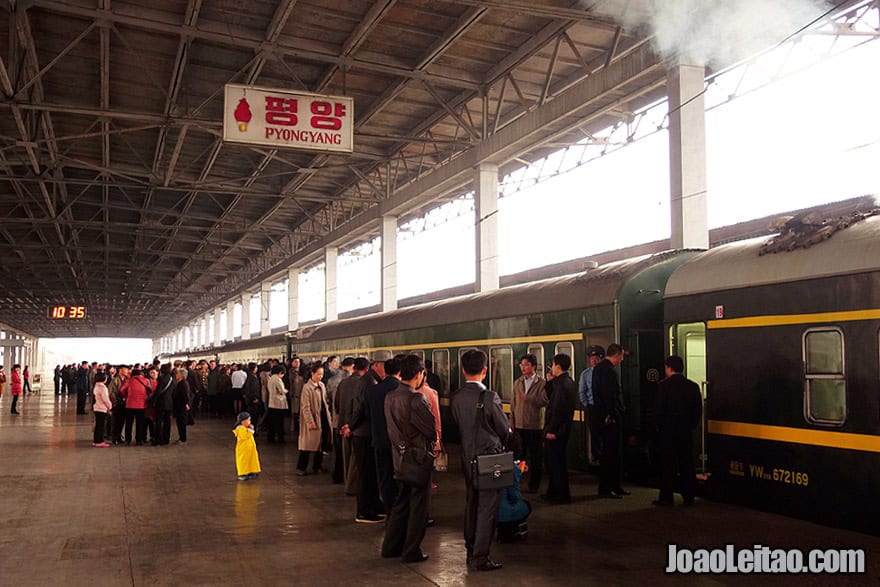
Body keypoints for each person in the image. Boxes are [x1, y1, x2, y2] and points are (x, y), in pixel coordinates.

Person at [451, 349, 509, 572]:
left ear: (463, 370)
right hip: (489, 460)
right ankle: (480, 557)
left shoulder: (456, 397)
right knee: (487, 508)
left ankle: (470, 548)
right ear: (485, 371)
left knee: (471, 504)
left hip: (467, 458)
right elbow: (503, 429)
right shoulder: (489, 397)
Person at [381, 355, 436, 564]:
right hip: (417, 461)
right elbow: (430, 431)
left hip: (399, 458)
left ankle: (390, 547)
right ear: (419, 374)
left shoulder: (390, 397)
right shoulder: (417, 399)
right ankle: (411, 550)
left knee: (400, 504)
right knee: (419, 507)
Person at [654, 355, 703, 507]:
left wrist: (659, 427)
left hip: (668, 432)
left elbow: (659, 409)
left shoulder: (663, 386)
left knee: (668, 465)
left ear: (668, 368)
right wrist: (691, 425)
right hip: (685, 431)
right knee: (687, 463)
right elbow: (698, 410)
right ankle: (689, 496)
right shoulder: (692, 386)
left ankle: (666, 497)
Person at [340, 357, 384, 523]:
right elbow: (360, 409)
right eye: (383, 367)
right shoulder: (369, 383)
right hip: (363, 434)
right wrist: (350, 426)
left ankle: (372, 506)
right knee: (366, 474)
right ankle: (364, 511)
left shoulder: (367, 380)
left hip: (362, 433)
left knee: (368, 473)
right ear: (375, 366)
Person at [593, 343, 628, 498]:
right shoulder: (608, 370)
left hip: (602, 416)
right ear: (617, 355)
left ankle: (614, 486)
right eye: (621, 356)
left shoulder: (599, 369)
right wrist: (612, 414)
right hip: (610, 419)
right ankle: (608, 488)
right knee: (611, 454)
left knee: (611, 454)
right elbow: (610, 395)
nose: (621, 359)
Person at [542, 353, 577, 504]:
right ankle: (553, 492)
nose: (551, 368)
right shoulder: (563, 382)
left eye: (553, 365)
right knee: (555, 462)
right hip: (561, 429)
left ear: (558, 366)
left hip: (557, 430)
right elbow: (551, 396)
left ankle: (561, 495)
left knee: (556, 463)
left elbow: (557, 410)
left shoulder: (563, 385)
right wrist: (550, 382)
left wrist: (551, 431)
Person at [510, 353, 547, 493]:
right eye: (522, 365)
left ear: (534, 367)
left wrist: (529, 399)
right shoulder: (517, 382)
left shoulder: (542, 383)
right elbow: (513, 403)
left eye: (526, 365)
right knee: (518, 457)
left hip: (535, 425)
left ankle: (534, 485)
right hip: (519, 425)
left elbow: (544, 400)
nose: (523, 367)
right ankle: (516, 482)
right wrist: (511, 421)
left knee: (536, 457)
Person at [368, 357, 401, 515]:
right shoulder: (403, 391)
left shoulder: (374, 391)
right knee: (401, 477)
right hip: (399, 443)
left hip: (379, 440)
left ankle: (389, 508)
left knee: (384, 476)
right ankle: (401, 508)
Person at [297, 363, 331, 475]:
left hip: (323, 418)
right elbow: (305, 407)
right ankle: (301, 468)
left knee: (320, 444)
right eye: (318, 374)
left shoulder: (321, 385)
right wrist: (310, 421)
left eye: (322, 374)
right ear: (312, 373)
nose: (320, 376)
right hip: (313, 419)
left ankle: (317, 466)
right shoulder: (307, 388)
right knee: (307, 445)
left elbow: (325, 401)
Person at [578, 345, 606, 465]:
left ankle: (605, 455)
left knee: (605, 432)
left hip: (604, 407)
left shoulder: (606, 372)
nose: (593, 360)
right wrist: (587, 404)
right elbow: (582, 391)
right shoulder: (585, 374)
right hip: (592, 407)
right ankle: (596, 456)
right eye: (591, 358)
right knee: (594, 432)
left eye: (596, 358)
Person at [497, 461, 531, 542]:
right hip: (503, 513)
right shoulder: (513, 469)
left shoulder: (485, 464)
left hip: (488, 513)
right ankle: (513, 531)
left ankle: (502, 533)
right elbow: (514, 497)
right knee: (526, 506)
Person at [234, 411, 261, 481]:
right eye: (248, 420)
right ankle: (242, 473)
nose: (250, 422)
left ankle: (250, 471)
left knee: (251, 460)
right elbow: (245, 436)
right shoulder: (240, 429)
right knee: (244, 461)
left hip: (250, 448)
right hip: (243, 450)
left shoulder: (245, 428)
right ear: (242, 421)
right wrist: (250, 430)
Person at [266, 364, 288, 443]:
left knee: (272, 422)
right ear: (280, 372)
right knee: (279, 422)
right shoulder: (277, 379)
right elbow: (281, 390)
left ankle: (271, 437)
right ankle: (280, 438)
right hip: (278, 404)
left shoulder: (271, 378)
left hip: (272, 403)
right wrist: (286, 391)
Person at [172, 368, 191, 444]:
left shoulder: (183, 383)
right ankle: (181, 437)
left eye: (178, 373)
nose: (176, 375)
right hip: (179, 406)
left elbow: (186, 395)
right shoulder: (180, 383)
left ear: (181, 375)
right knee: (179, 422)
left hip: (182, 406)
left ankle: (183, 438)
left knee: (181, 422)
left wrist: (187, 403)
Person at [92, 372, 112, 447]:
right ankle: (100, 441)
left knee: (98, 425)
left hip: (97, 407)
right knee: (101, 426)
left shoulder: (96, 386)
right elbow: (105, 399)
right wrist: (110, 406)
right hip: (102, 408)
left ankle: (96, 440)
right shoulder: (103, 388)